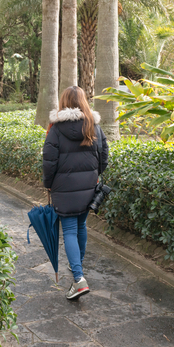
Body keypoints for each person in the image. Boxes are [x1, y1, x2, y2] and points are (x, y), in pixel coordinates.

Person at [43, 86, 109, 300]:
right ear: (83, 101)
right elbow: (104, 157)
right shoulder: (94, 126)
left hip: (64, 189)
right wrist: (93, 175)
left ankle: (79, 279)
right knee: (81, 226)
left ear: (64, 102)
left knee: (70, 230)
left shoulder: (56, 129)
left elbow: (49, 162)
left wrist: (48, 184)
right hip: (89, 187)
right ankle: (77, 264)